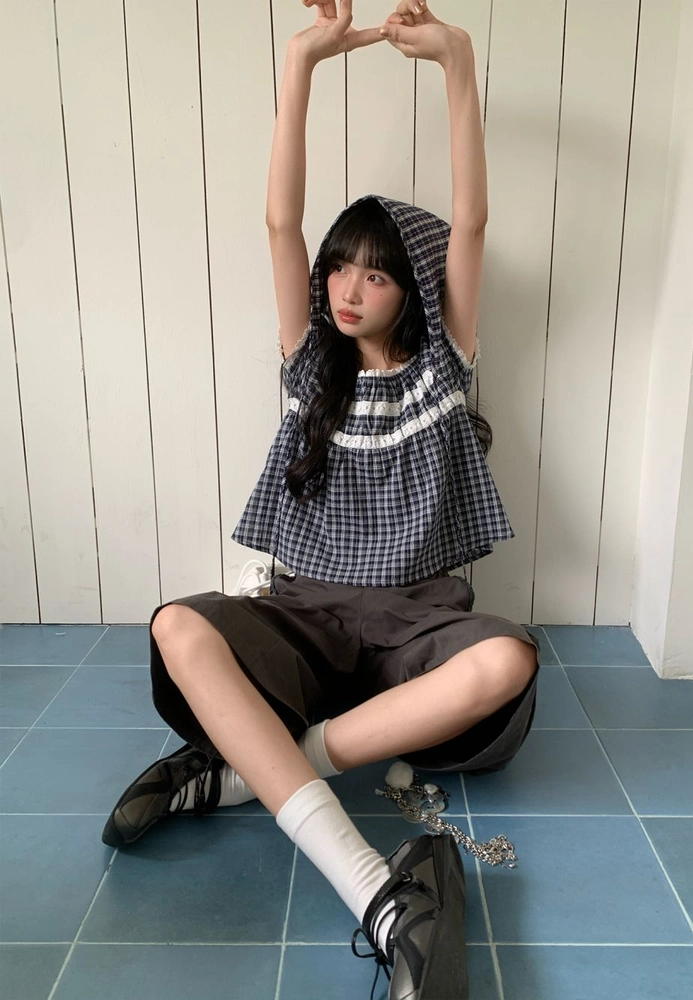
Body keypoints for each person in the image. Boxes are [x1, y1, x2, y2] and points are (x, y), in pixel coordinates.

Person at [102, 2, 540, 997]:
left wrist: (457, 63)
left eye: (376, 276)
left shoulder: (442, 366)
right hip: (304, 614)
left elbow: (472, 220)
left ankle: (249, 769)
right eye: (340, 267)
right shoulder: (309, 366)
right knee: (179, 625)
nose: (348, 288)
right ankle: (378, 894)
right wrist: (302, 61)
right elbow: (278, 221)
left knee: (509, 657)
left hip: (418, 627)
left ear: (412, 290)